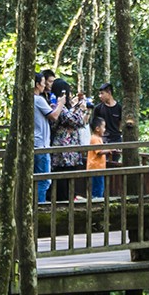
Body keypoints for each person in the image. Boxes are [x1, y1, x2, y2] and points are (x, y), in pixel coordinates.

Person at [49, 78, 88, 200]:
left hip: (69, 153)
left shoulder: (65, 107)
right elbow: (74, 120)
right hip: (62, 153)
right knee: (62, 183)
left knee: (69, 181)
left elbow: (81, 122)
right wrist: (80, 108)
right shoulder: (56, 106)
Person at [33, 72, 63, 204]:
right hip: (41, 145)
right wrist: (61, 103)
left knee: (36, 179)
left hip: (33, 143)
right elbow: (54, 116)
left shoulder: (25, 100)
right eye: (43, 83)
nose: (45, 86)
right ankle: (40, 208)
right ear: (37, 84)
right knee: (44, 180)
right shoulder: (38, 99)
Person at [86, 116, 109, 201]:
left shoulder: (98, 138)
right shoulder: (94, 138)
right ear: (97, 128)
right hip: (95, 168)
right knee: (97, 188)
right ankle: (96, 203)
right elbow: (99, 151)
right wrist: (110, 150)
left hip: (99, 168)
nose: (105, 129)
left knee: (99, 187)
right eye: (104, 127)